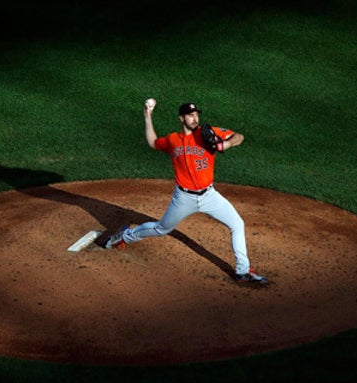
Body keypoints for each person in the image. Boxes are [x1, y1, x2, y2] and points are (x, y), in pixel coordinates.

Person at [105, 101, 268, 285]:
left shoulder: (208, 133)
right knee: (161, 229)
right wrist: (147, 116)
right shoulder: (173, 140)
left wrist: (226, 144)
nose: (195, 118)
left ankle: (243, 271)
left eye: (196, 115)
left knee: (237, 224)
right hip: (183, 198)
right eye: (190, 115)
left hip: (209, 196)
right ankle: (125, 236)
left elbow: (239, 136)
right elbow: (152, 142)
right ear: (182, 118)